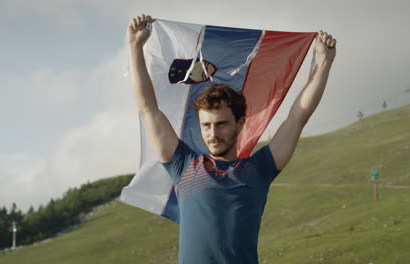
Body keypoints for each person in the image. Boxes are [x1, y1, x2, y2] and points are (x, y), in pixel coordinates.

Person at [128, 14, 336, 264]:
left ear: (239, 123)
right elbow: (148, 108)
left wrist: (323, 63)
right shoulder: (183, 166)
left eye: (221, 124)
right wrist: (135, 46)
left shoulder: (260, 169)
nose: (213, 134)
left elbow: (297, 117)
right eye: (206, 125)